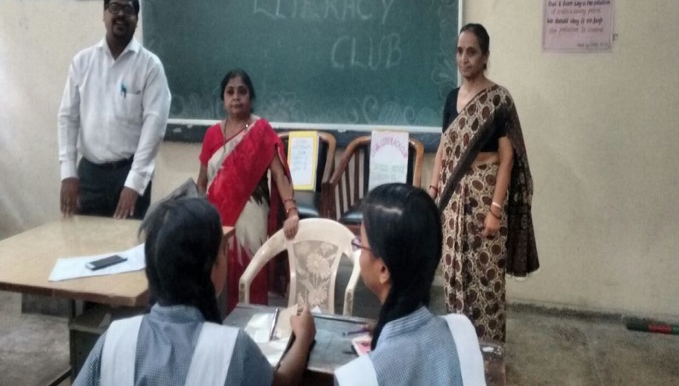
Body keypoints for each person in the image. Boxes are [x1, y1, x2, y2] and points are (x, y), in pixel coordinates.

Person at [74, 197, 316, 386]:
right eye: (222, 250)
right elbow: (283, 381)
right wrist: (304, 336)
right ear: (212, 269)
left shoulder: (113, 340)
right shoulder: (233, 349)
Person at [428, 23, 538, 342]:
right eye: (460, 52)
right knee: (454, 277)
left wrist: (495, 209)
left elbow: (507, 158)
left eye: (472, 52)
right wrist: (434, 191)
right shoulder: (451, 99)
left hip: (484, 194)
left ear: (485, 56)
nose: (464, 59)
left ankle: (490, 358)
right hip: (452, 202)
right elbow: (444, 148)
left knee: (486, 282)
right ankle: (461, 353)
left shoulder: (498, 100)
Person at [334, 184, 486, 386]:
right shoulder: (462, 332)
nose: (358, 252)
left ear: (383, 270)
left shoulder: (355, 378)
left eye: (360, 243)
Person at [58, 0, 171, 220]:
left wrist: (135, 183)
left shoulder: (150, 67)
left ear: (136, 19)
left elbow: (155, 127)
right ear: (103, 15)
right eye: (114, 8)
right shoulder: (82, 62)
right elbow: (67, 118)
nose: (120, 14)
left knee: (128, 249)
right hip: (89, 175)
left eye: (128, 10)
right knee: (84, 249)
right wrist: (68, 172)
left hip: (129, 172)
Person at [197, 69, 299, 310]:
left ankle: (254, 323)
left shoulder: (261, 131)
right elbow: (202, 182)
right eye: (230, 92)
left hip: (252, 218)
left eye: (242, 91)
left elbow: (279, 175)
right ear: (223, 99)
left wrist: (291, 210)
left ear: (250, 97)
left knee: (252, 269)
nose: (236, 97)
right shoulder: (212, 134)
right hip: (217, 217)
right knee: (220, 273)